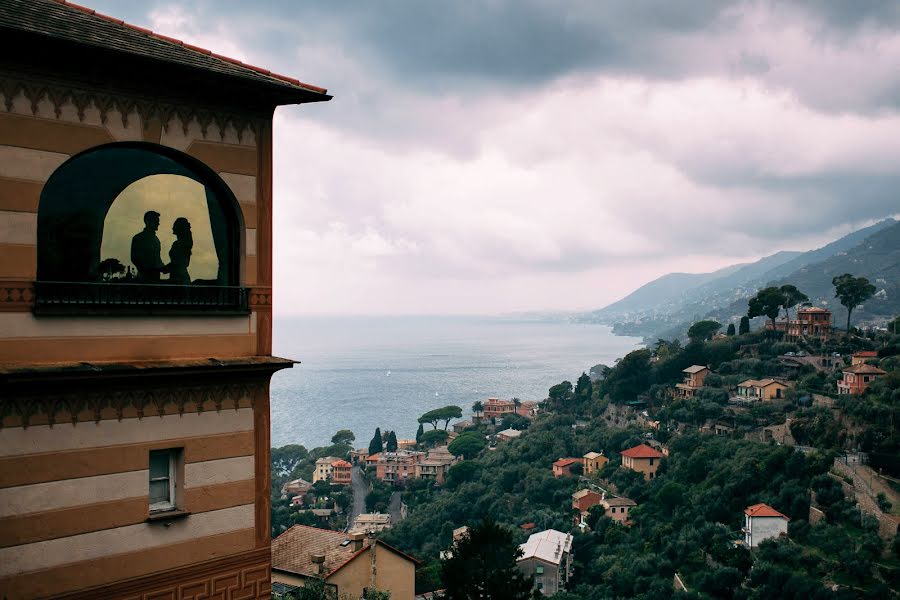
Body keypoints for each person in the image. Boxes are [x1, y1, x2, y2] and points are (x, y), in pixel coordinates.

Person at [130, 210, 166, 282]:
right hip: (144, 277)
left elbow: (157, 258)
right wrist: (146, 270)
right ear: (147, 221)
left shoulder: (156, 240)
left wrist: (162, 267)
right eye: (156, 221)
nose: (158, 223)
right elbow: (134, 258)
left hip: (155, 276)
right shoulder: (138, 238)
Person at [167, 217, 193, 285]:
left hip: (178, 279)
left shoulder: (178, 245)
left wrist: (160, 269)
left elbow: (177, 264)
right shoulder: (184, 244)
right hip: (179, 277)